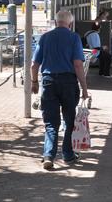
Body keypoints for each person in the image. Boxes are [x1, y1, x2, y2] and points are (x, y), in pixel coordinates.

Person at [31, 10, 89, 170]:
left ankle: (48, 155)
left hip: (49, 82)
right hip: (68, 82)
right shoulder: (74, 38)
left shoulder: (45, 38)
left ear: (56, 22)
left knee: (51, 122)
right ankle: (68, 155)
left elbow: (34, 65)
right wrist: (84, 87)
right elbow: (78, 64)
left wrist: (34, 82)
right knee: (69, 120)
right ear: (70, 23)